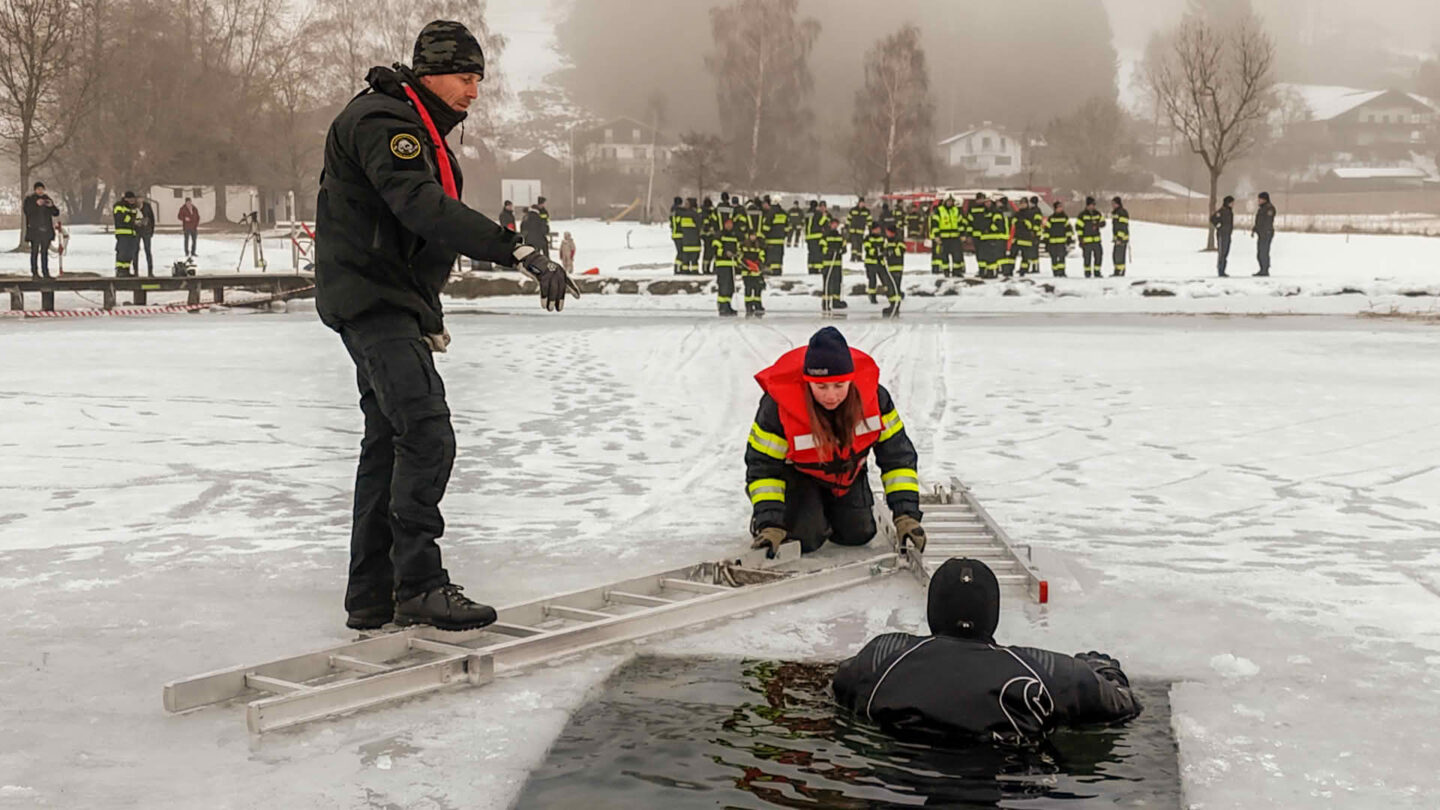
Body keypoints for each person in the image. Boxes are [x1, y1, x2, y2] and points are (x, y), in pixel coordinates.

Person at [314, 19, 577, 632]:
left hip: (386, 300)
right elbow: (421, 207)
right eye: (466, 77)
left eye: (479, 78)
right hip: (372, 303)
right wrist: (517, 251)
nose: (474, 92)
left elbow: (407, 235)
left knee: (388, 441)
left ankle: (372, 595)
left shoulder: (416, 127)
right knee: (427, 433)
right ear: (430, 71)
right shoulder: (386, 123)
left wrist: (425, 313)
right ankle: (419, 586)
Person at [833, 557, 1143, 745]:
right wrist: (1102, 666)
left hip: (899, 782)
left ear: (933, 610)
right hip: (1007, 776)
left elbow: (840, 684)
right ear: (992, 613)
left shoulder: (884, 656)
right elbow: (1123, 704)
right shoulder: (1045, 671)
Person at [745, 327, 923, 555]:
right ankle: (804, 515)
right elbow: (763, 469)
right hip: (800, 477)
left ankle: (830, 512)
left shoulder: (876, 400)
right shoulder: (777, 408)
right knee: (806, 541)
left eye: (839, 385)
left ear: (851, 380)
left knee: (859, 534)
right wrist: (769, 523)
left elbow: (898, 458)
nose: (831, 396)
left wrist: (906, 515)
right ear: (808, 382)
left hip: (847, 474)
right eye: (821, 387)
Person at [22, 181, 60, 279]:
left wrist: (51, 206)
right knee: (34, 252)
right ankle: (35, 272)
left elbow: (56, 213)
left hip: (46, 231)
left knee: (45, 252)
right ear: (35, 190)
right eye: (38, 189)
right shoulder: (29, 200)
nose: (40, 191)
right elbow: (27, 211)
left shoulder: (47, 199)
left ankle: (45, 272)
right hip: (35, 231)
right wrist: (36, 205)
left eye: (42, 189)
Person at [930, 196, 963, 278]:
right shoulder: (939, 210)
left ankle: (957, 272)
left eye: (951, 201)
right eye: (948, 201)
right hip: (943, 238)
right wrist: (937, 236)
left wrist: (962, 234)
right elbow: (935, 224)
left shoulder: (956, 210)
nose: (950, 203)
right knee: (944, 256)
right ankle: (946, 271)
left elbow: (961, 224)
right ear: (945, 201)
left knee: (957, 255)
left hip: (955, 237)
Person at [820, 218, 847, 313]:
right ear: (830, 225)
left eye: (836, 224)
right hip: (828, 264)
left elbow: (844, 247)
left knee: (837, 282)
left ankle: (836, 301)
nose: (835, 226)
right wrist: (830, 251)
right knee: (827, 283)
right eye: (833, 224)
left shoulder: (840, 236)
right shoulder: (825, 236)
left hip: (837, 264)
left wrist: (842, 250)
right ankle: (825, 303)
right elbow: (822, 248)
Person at [715, 217, 740, 317]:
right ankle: (722, 306)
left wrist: (737, 254)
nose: (729, 226)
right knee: (723, 286)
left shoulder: (734, 235)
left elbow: (737, 246)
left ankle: (728, 305)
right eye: (728, 224)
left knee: (730, 286)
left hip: (732, 264)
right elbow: (716, 248)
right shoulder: (719, 235)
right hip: (722, 264)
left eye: (731, 224)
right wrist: (725, 253)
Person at [1076, 197, 1106, 278]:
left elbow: (1103, 222)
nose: (1093, 206)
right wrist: (1080, 239)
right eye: (1091, 205)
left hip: (1096, 240)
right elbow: (1078, 228)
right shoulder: (1082, 215)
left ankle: (1097, 272)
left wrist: (1097, 225)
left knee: (1099, 255)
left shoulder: (1097, 213)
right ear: (1087, 205)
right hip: (1086, 241)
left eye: (1094, 205)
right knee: (1087, 257)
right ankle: (1087, 272)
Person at [113, 190, 140, 278]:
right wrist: (133, 221)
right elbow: (121, 218)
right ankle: (120, 270)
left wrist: (139, 222)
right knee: (122, 252)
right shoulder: (119, 206)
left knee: (130, 253)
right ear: (126, 199)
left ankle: (126, 270)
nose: (133, 200)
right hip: (122, 233)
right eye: (131, 199)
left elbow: (136, 217)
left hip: (131, 234)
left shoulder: (133, 207)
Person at [740, 229, 766, 317]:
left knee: (757, 290)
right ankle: (748, 307)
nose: (753, 237)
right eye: (751, 235)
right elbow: (740, 257)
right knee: (748, 290)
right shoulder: (743, 245)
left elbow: (762, 255)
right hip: (746, 271)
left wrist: (758, 263)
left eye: (754, 235)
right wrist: (747, 264)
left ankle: (758, 306)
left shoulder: (758, 245)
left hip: (756, 271)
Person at [1044, 200, 1074, 278]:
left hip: (1062, 242)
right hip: (1052, 242)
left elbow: (1068, 229)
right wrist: (1046, 241)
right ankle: (1055, 272)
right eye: (1059, 207)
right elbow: (1047, 230)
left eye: (1061, 207)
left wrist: (1069, 238)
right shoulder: (1051, 218)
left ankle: (1062, 272)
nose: (1061, 208)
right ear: (1055, 208)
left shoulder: (1064, 217)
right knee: (1053, 258)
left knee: (1062, 257)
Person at [882, 223, 906, 318]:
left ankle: (896, 306)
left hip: (897, 267)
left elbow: (900, 251)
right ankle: (892, 304)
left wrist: (891, 251)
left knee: (895, 287)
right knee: (890, 287)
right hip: (890, 267)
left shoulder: (899, 240)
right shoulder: (887, 241)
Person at [1210, 195, 1234, 277]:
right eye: (1232, 203)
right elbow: (1213, 219)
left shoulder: (1229, 211)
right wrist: (1218, 225)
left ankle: (1223, 269)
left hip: (1227, 234)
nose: (1233, 204)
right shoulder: (1222, 211)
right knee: (1222, 252)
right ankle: (1220, 270)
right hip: (1222, 234)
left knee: (1226, 252)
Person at [1252, 191, 1276, 277]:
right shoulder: (1261, 208)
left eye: (1260, 199)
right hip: (1261, 233)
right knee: (1260, 252)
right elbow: (1259, 221)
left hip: (1266, 233)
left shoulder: (1269, 208)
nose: (1258, 201)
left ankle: (1265, 269)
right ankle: (1262, 268)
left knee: (1264, 251)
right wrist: (1255, 229)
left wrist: (1266, 231)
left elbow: (1268, 221)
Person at [863, 221, 885, 304]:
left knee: (884, 279)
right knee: (872, 280)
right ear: (873, 230)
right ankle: (872, 296)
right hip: (870, 263)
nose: (879, 230)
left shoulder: (881, 238)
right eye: (877, 229)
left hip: (880, 262)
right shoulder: (868, 238)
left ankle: (890, 294)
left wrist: (883, 252)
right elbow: (868, 249)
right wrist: (876, 252)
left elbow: (884, 247)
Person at [1022, 197, 1045, 276]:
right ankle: (1031, 267)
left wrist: (1034, 231)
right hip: (1032, 234)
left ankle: (1035, 267)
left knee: (1034, 251)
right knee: (1031, 251)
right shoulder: (1033, 210)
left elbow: (1037, 223)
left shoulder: (1036, 211)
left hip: (1035, 235)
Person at [136, 194, 158, 277]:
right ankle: (136, 272)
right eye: (138, 198)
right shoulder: (133, 207)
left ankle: (150, 271)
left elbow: (152, 218)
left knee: (148, 251)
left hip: (146, 232)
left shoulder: (147, 206)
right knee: (135, 251)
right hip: (137, 232)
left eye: (141, 198)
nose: (139, 200)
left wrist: (151, 230)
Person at [805, 200, 828, 275]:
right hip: (817, 236)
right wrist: (824, 217)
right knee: (817, 253)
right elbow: (820, 223)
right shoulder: (818, 213)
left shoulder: (807, 213)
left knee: (811, 253)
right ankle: (817, 267)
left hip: (808, 236)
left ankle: (811, 268)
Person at [1109, 196, 1130, 277]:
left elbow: (1122, 226)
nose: (1112, 205)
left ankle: (1120, 271)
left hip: (1121, 238)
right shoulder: (1116, 212)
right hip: (1117, 238)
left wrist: (1119, 238)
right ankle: (1117, 270)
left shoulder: (1122, 213)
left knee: (1119, 255)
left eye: (1113, 203)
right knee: (1115, 255)